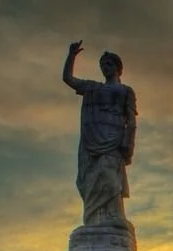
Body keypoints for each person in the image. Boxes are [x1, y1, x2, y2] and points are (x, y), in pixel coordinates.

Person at [62, 40, 137, 226]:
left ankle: (115, 217)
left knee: (111, 180)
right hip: (91, 139)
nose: (105, 68)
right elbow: (68, 79)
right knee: (91, 179)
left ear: (119, 68)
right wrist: (71, 56)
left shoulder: (125, 91)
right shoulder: (93, 88)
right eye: (103, 65)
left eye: (109, 64)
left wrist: (129, 143)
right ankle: (94, 221)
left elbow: (132, 121)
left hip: (114, 139)